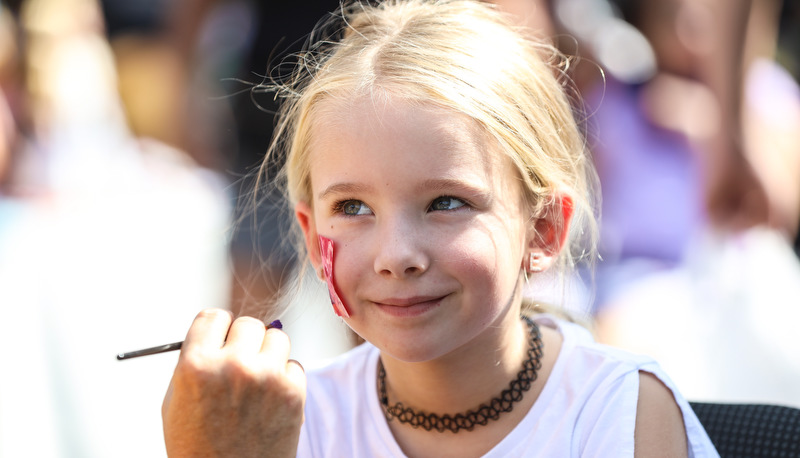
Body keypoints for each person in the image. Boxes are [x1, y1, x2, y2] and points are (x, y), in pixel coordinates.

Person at [161, 1, 718, 456]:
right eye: (352, 208)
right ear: (311, 235)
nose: (395, 255)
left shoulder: (619, 413)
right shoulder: (288, 428)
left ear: (544, 228)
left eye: (445, 202)